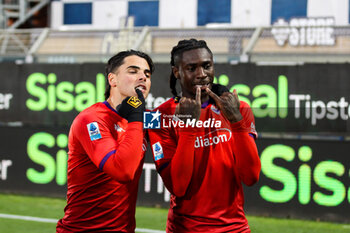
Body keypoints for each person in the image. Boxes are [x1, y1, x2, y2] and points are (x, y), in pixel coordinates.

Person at [148, 39, 261, 232]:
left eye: (206, 66)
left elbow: (251, 177)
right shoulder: (158, 117)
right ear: (177, 72)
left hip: (234, 228)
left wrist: (236, 121)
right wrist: (189, 127)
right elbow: (178, 187)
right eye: (191, 68)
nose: (202, 74)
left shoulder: (239, 108)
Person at [56, 50, 154, 232]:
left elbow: (182, 121)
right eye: (133, 71)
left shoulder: (145, 119)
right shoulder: (92, 119)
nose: (143, 77)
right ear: (112, 80)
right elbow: (122, 171)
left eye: (147, 74)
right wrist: (136, 117)